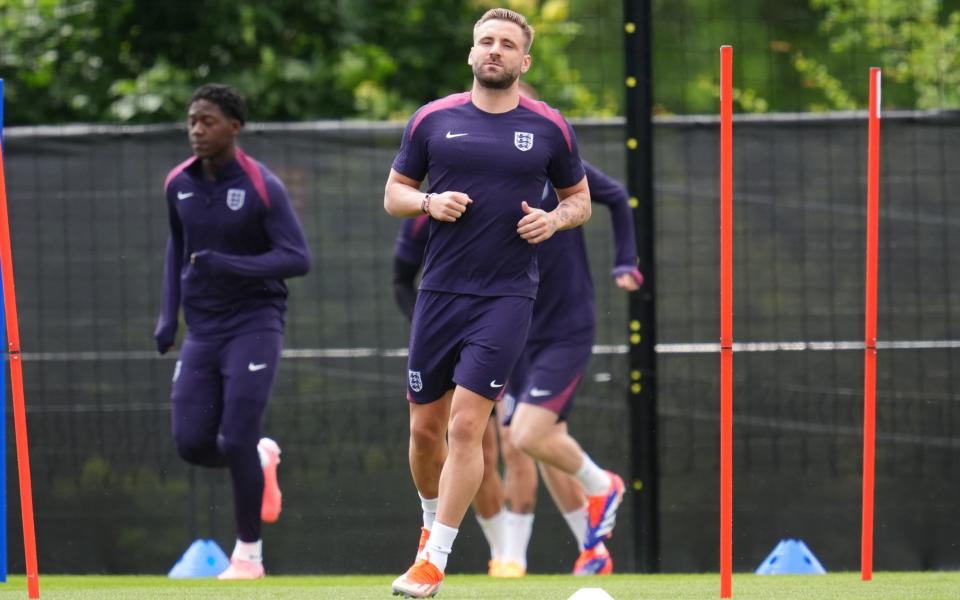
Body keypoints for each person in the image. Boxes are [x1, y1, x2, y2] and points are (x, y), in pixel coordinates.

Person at [384, 8, 594, 597]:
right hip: (439, 293)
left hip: (506, 297)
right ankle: (429, 532)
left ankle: (435, 563)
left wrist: (554, 220)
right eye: (486, 41)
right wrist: (428, 204)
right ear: (472, 54)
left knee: (468, 426)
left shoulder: (550, 127)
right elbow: (394, 194)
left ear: (524, 61)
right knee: (425, 431)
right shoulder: (431, 120)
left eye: (507, 44)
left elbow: (580, 202)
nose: (495, 50)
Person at [154, 83, 311, 580]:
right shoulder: (177, 182)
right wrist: (167, 315)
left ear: (234, 128)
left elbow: (297, 258)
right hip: (203, 328)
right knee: (191, 442)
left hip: (255, 323)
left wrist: (230, 264)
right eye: (192, 121)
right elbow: (176, 250)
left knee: (238, 432)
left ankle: (248, 556)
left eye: (208, 121)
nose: (197, 130)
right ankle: (261, 459)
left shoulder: (263, 185)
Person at [393, 217, 511, 578]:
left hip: (490, 331)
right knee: (427, 434)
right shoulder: (422, 217)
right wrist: (427, 325)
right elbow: (401, 279)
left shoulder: (509, 197)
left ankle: (504, 555)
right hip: (437, 328)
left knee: (479, 443)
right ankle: (431, 531)